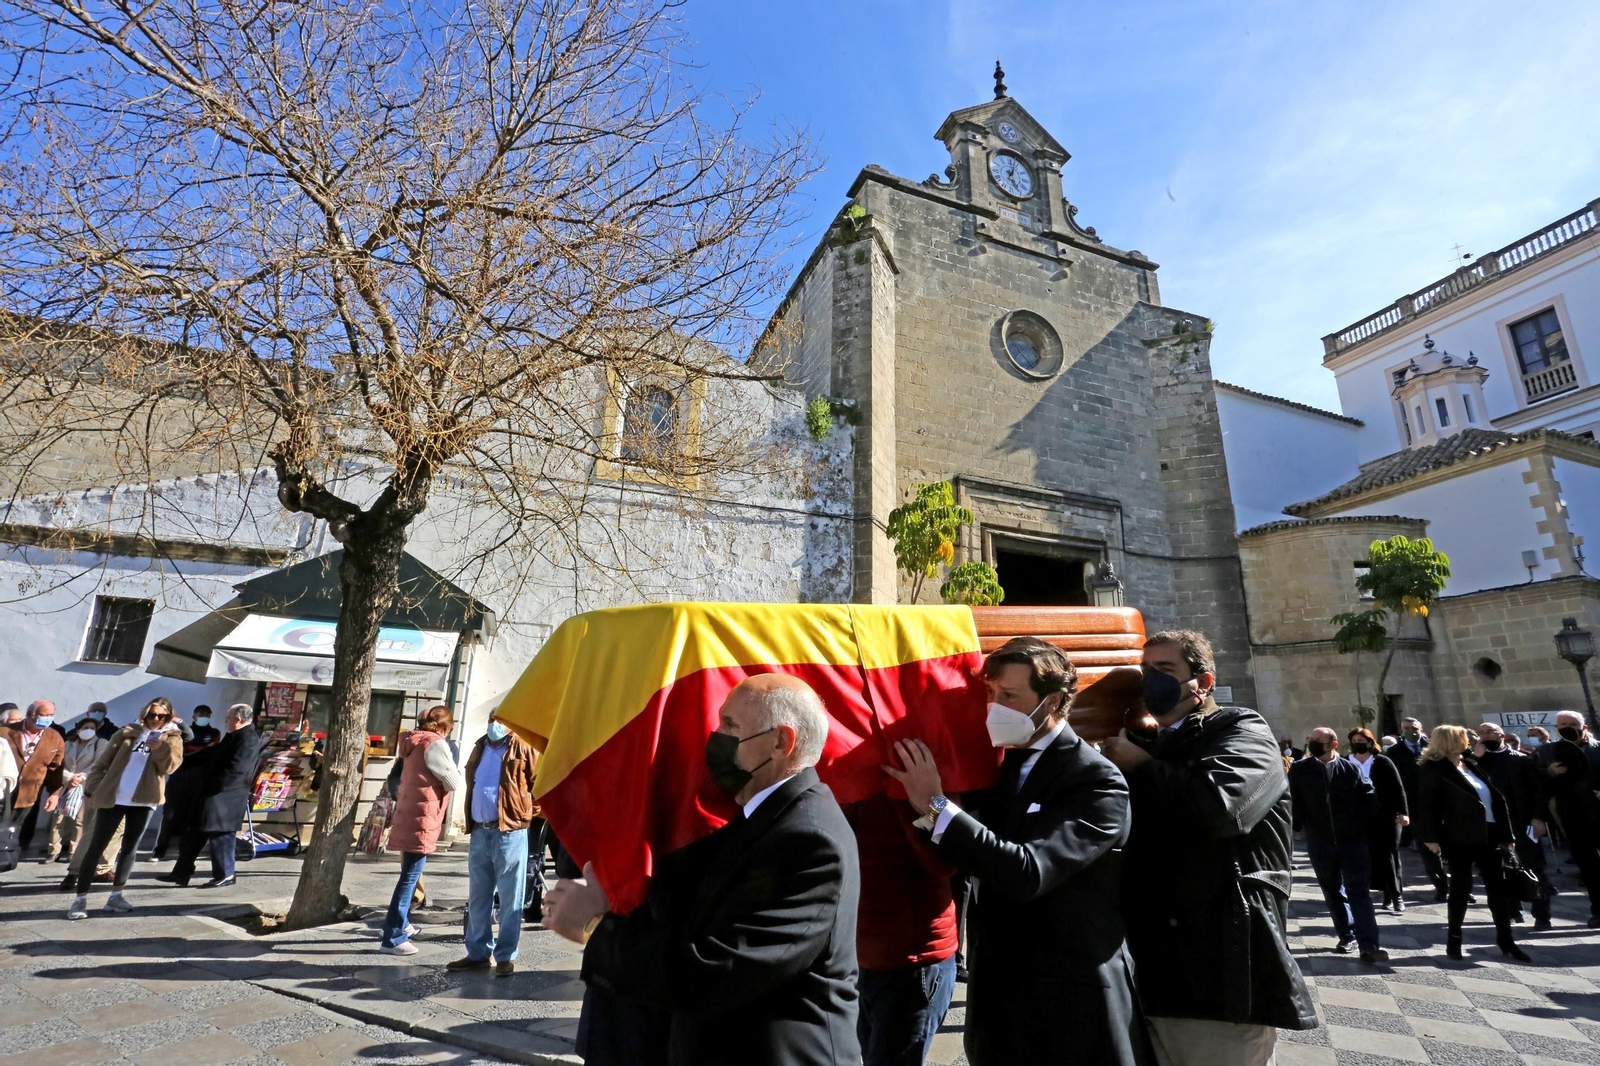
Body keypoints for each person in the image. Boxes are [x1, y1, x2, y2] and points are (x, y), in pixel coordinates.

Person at [545, 674, 861, 1066]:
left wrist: (594, 927)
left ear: (781, 742)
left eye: (730, 725)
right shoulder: (764, 819)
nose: (715, 737)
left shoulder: (808, 840)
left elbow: (713, 973)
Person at [883, 636, 1151, 1066]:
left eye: (1009, 696)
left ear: (1053, 701)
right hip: (999, 1002)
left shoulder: (1095, 780)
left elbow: (1028, 872)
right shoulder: (995, 767)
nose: (994, 706)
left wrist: (936, 806)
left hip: (1070, 1006)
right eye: (989, 693)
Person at [1102, 630, 1315, 1066]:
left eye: (1165, 669)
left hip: (1220, 973)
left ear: (1203, 682)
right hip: (1151, 972)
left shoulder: (1242, 730)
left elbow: (1221, 809)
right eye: (1145, 670)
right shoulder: (1146, 742)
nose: (1150, 680)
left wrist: (1140, 766)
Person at [843, 790, 958, 1066]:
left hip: (914, 966)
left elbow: (945, 860)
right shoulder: (853, 776)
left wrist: (914, 794)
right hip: (864, 960)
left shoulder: (929, 773)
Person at [1414, 725, 1528, 960]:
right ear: (1451, 741)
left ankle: (1506, 940)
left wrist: (1507, 836)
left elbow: (1496, 800)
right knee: (1461, 888)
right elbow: (1426, 805)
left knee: (1498, 889)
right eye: (1464, 737)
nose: (1469, 740)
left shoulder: (1471, 764)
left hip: (1490, 833)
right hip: (1459, 835)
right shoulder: (1433, 768)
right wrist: (1431, 837)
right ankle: (1454, 940)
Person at [67, 698, 185, 919]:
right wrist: (95, 786)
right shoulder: (126, 733)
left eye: (161, 716)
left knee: (130, 849)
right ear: (144, 714)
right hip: (115, 796)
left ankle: (116, 896)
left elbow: (170, 767)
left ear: (168, 717)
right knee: (96, 846)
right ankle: (79, 900)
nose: (156, 719)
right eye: (152, 715)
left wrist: (160, 749)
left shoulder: (172, 738)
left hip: (145, 799)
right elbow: (102, 762)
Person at [450, 709, 537, 977]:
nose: (494, 725)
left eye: (500, 720)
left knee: (511, 898)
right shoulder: (479, 746)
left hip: (510, 832)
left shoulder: (523, 747)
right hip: (480, 831)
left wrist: (526, 813)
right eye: (492, 720)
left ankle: (505, 955)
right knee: (478, 896)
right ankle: (477, 952)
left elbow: (540, 783)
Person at [1288, 728, 1385, 962]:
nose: (1313, 743)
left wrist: (1359, 826)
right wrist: (1305, 824)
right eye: (1311, 739)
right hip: (1320, 841)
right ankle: (1346, 934)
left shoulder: (1350, 768)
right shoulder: (1300, 769)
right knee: (1332, 890)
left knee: (1358, 891)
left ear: (1333, 744)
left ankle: (1369, 944)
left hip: (1352, 842)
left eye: (1318, 740)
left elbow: (1369, 797)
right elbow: (1291, 799)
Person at [380, 704, 464, 955]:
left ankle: (401, 924)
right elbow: (453, 781)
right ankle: (393, 937)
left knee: (408, 875)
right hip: (422, 818)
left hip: (408, 813)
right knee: (409, 878)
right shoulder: (435, 744)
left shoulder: (412, 742)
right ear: (444, 727)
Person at [157, 703, 260, 888]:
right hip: (209, 793)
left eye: (228, 717)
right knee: (193, 833)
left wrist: (214, 785)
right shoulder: (234, 735)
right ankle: (181, 872)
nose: (226, 721)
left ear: (238, 719)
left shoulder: (248, 738)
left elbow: (236, 769)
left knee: (221, 836)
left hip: (224, 797)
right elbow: (213, 755)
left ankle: (226, 874)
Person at [1473, 721, 1550, 928]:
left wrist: (1538, 818)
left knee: (1533, 867)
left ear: (1502, 736)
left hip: (1521, 822)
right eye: (1482, 733)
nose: (1486, 735)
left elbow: (1538, 792)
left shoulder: (1521, 759)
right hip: (1492, 824)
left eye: (1491, 732)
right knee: (1499, 870)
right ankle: (1512, 910)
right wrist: (1475, 759)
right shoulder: (1476, 762)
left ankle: (1542, 915)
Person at [1537, 710, 1600, 927]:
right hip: (1573, 816)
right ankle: (1598, 910)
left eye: (1571, 724)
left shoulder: (1598, 748)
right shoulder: (1547, 751)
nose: (1566, 727)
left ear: (1584, 727)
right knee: (1589, 867)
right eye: (1562, 724)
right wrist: (1549, 772)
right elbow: (1536, 783)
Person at [1346, 727, 1409, 912]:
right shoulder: (1346, 762)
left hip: (1387, 816)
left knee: (1389, 854)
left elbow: (1397, 788)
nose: (1358, 744)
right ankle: (1376, 892)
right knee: (1367, 856)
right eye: (1354, 741)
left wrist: (1403, 812)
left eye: (1361, 740)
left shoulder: (1382, 761)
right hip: (1360, 817)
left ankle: (1395, 895)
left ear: (1370, 742)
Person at [1386, 717, 1449, 900]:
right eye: (1406, 728)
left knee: (1451, 847)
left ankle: (1462, 888)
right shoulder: (1395, 752)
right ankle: (1442, 886)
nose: (1410, 731)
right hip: (1415, 806)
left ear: (1421, 729)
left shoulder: (1434, 748)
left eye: (1413, 728)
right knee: (1427, 849)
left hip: (1441, 804)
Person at [152, 704, 223, 860]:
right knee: (169, 814)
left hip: (200, 779)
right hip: (179, 777)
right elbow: (180, 750)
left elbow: (212, 752)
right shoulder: (183, 732)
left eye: (207, 714)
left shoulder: (214, 733)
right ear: (194, 716)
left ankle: (184, 848)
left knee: (192, 816)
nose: (204, 717)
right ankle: (160, 848)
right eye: (201, 714)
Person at [1, 700, 66, 857]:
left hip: (29, 793)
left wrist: (54, 794)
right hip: (4, 791)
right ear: (30, 715)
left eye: (51, 715)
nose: (48, 719)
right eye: (44, 715)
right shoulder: (5, 732)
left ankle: (8, 860)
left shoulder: (54, 737)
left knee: (16, 830)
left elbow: (56, 768)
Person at [48, 718, 109, 862]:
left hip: (85, 786)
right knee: (58, 819)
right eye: (86, 727)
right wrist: (69, 777)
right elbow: (59, 763)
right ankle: (53, 851)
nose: (89, 730)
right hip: (65, 784)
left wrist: (81, 777)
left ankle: (73, 851)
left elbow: (98, 763)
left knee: (80, 820)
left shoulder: (100, 743)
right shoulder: (68, 744)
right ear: (78, 730)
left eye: (92, 728)